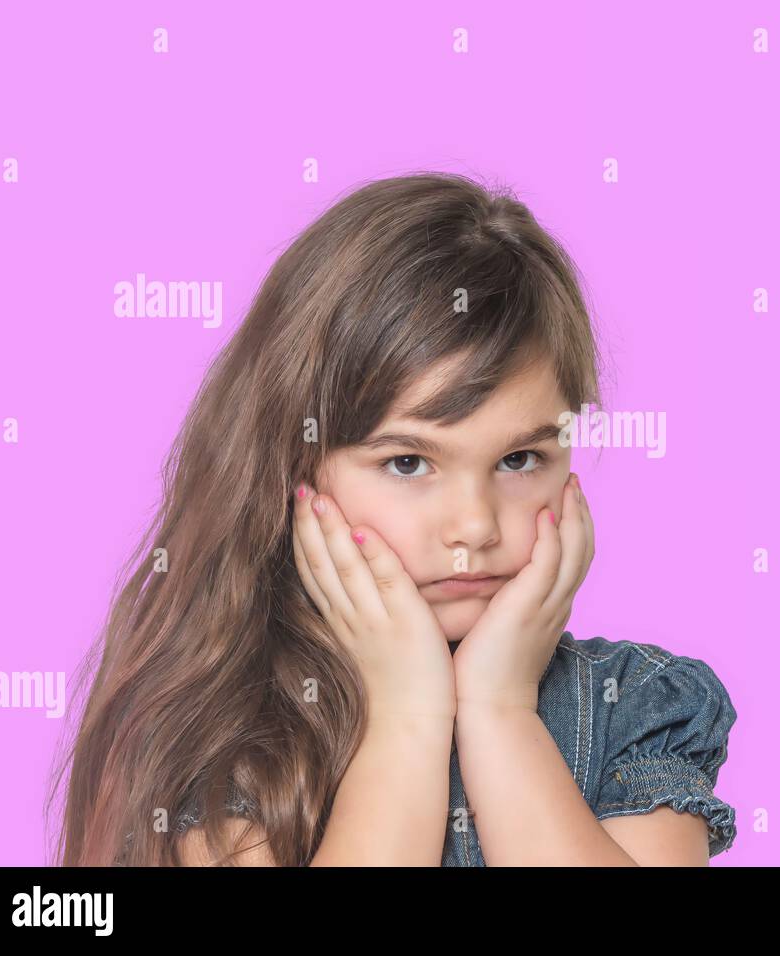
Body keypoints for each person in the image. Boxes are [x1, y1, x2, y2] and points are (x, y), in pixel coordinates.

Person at [49, 172, 737, 866]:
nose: (475, 528)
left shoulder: (640, 707)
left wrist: (501, 711)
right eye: (408, 463)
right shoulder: (229, 728)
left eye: (520, 459)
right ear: (298, 466)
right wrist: (408, 721)